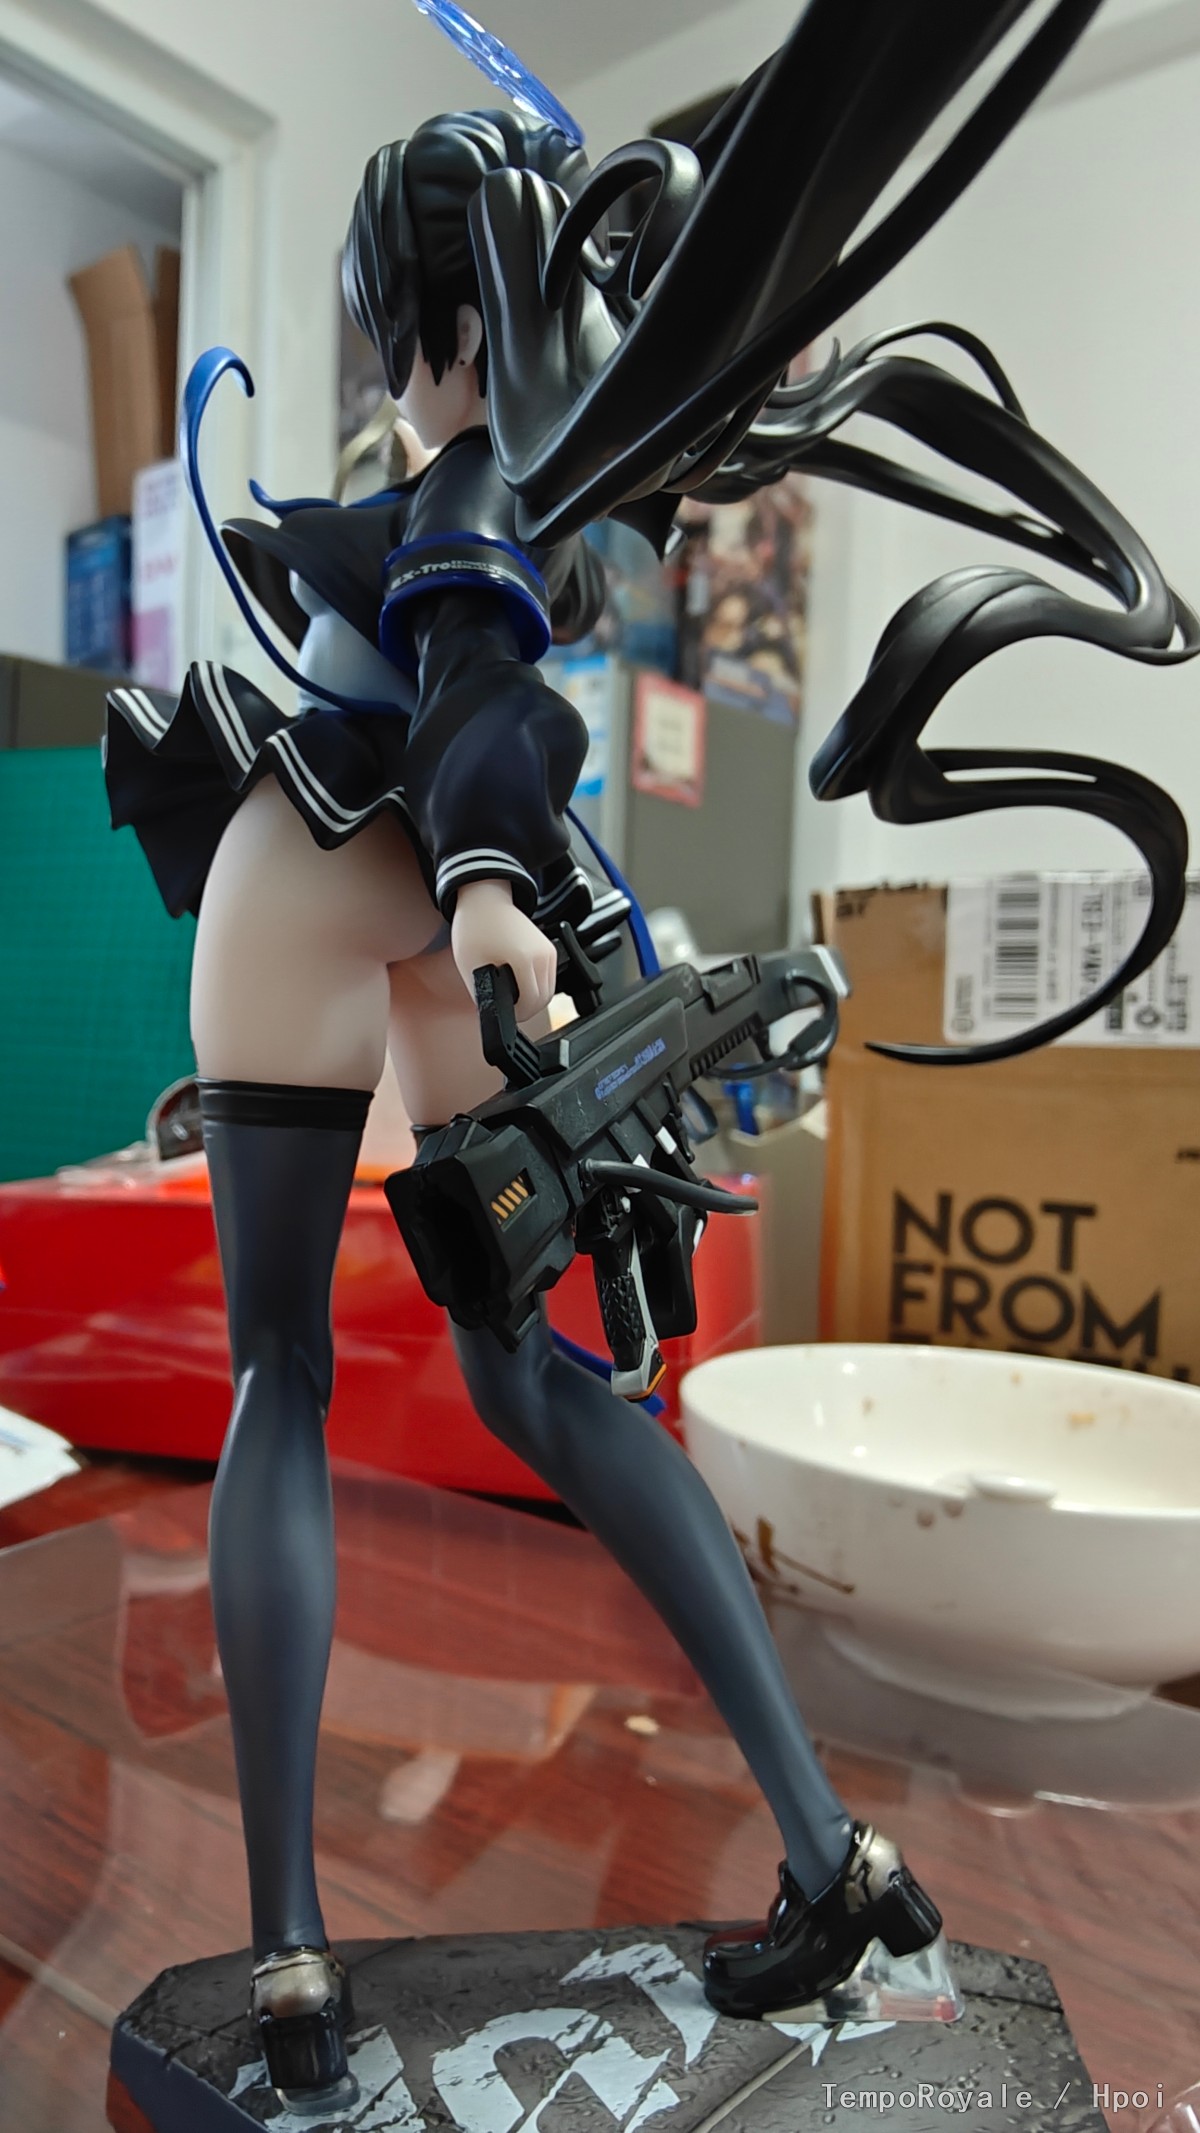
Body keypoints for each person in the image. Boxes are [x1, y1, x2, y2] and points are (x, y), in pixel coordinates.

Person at [104, 4, 1198, 2105]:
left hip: (341, 883)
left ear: (417, 323)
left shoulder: (476, 478)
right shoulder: (490, 484)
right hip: (400, 884)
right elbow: (478, 687)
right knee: (481, 1377)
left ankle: (343, 1945)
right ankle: (806, 1850)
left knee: (340, 1376)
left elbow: (479, 685)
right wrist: (496, 883)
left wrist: (495, 885)